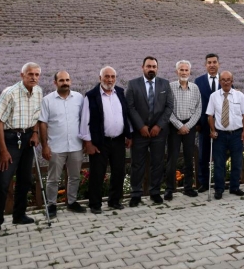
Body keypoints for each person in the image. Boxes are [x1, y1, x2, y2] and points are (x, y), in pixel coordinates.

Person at [0, 62, 43, 237]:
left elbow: (36, 116)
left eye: (36, 74)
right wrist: (2, 150)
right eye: (30, 74)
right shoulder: (9, 93)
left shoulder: (39, 91)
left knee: (25, 179)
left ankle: (19, 215)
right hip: (10, 139)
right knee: (3, 182)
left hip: (27, 139)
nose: (33, 77)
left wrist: (35, 133)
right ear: (22, 75)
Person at [80, 67, 132, 214]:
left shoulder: (120, 92)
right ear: (100, 78)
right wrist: (88, 143)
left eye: (112, 77)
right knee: (97, 173)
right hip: (99, 142)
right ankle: (95, 204)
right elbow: (85, 120)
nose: (110, 80)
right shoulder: (91, 96)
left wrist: (129, 135)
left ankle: (114, 201)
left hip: (118, 140)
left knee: (119, 171)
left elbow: (125, 115)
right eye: (106, 76)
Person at [125, 56, 174, 206]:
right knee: (137, 164)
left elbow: (169, 107)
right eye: (148, 66)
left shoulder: (165, 84)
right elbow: (130, 107)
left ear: (157, 68)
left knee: (157, 163)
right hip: (140, 133)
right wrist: (141, 126)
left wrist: (158, 126)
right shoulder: (133, 84)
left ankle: (155, 192)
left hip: (158, 133)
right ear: (143, 67)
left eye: (154, 66)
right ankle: (136, 194)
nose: (151, 69)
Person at [38, 70, 85, 217]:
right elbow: (43, 124)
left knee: (75, 176)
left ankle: (72, 202)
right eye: (61, 80)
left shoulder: (79, 98)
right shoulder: (47, 100)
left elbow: (84, 120)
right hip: (56, 146)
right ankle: (51, 204)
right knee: (53, 178)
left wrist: (85, 141)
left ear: (70, 81)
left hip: (76, 145)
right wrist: (44, 145)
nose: (65, 83)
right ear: (55, 83)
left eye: (67, 80)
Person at [207, 71, 244, 200]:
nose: (226, 82)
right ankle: (219, 189)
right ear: (220, 81)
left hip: (236, 134)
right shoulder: (214, 96)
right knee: (219, 163)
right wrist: (213, 130)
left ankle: (234, 187)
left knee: (237, 162)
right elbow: (209, 115)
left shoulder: (239, 95)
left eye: (228, 80)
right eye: (223, 80)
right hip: (220, 135)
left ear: (232, 81)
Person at [166, 60, 201, 199]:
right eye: (181, 70)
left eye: (186, 70)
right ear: (176, 72)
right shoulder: (170, 87)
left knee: (188, 158)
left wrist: (188, 126)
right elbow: (167, 109)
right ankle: (169, 189)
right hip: (174, 127)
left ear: (190, 72)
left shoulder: (195, 88)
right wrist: (179, 126)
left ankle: (188, 187)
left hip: (189, 127)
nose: (184, 72)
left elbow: (198, 109)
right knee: (172, 159)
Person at [193, 53, 220, 192]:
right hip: (203, 124)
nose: (212, 65)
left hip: (221, 124)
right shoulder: (198, 81)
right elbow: (196, 102)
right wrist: (197, 122)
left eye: (214, 62)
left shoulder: (226, 79)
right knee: (203, 154)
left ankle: (220, 181)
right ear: (205, 65)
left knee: (220, 154)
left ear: (218, 64)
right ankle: (204, 182)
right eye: (209, 62)